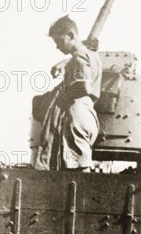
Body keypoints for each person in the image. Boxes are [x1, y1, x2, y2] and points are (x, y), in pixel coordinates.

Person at [33, 15, 103, 171]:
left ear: (71, 35)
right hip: (87, 113)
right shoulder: (92, 55)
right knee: (79, 166)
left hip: (76, 115)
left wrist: (62, 93)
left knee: (76, 171)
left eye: (59, 41)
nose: (57, 47)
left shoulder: (79, 57)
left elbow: (85, 87)